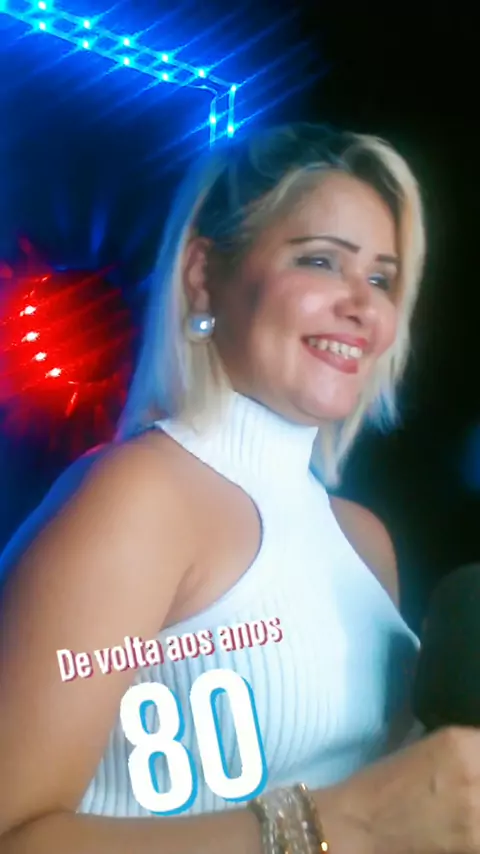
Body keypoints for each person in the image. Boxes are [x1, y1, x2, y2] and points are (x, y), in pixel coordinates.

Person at [1, 122, 480, 854]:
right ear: (203, 274)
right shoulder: (140, 497)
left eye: (382, 279)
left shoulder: (363, 540)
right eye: (321, 261)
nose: (363, 305)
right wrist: (345, 825)